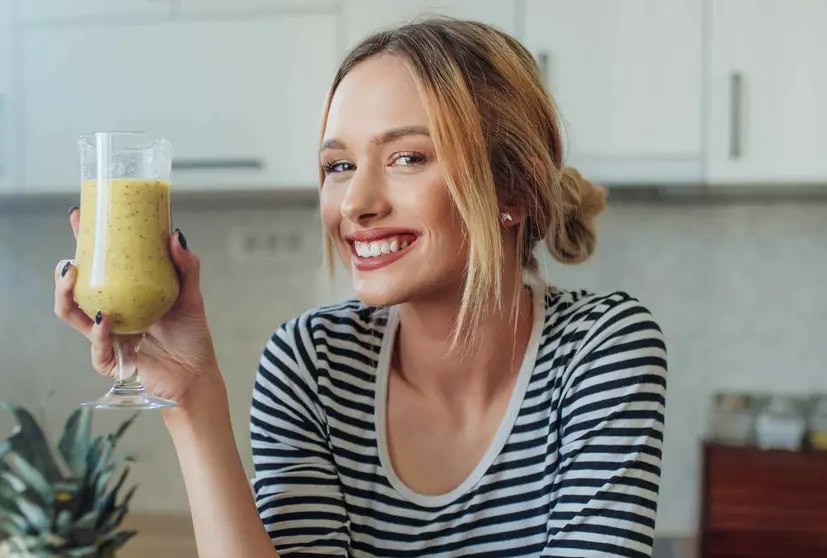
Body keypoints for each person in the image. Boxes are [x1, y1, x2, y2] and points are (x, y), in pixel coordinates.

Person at [54, 17, 667, 558]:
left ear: (511, 188)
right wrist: (191, 398)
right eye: (338, 166)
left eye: (407, 158)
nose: (356, 203)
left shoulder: (601, 350)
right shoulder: (313, 365)